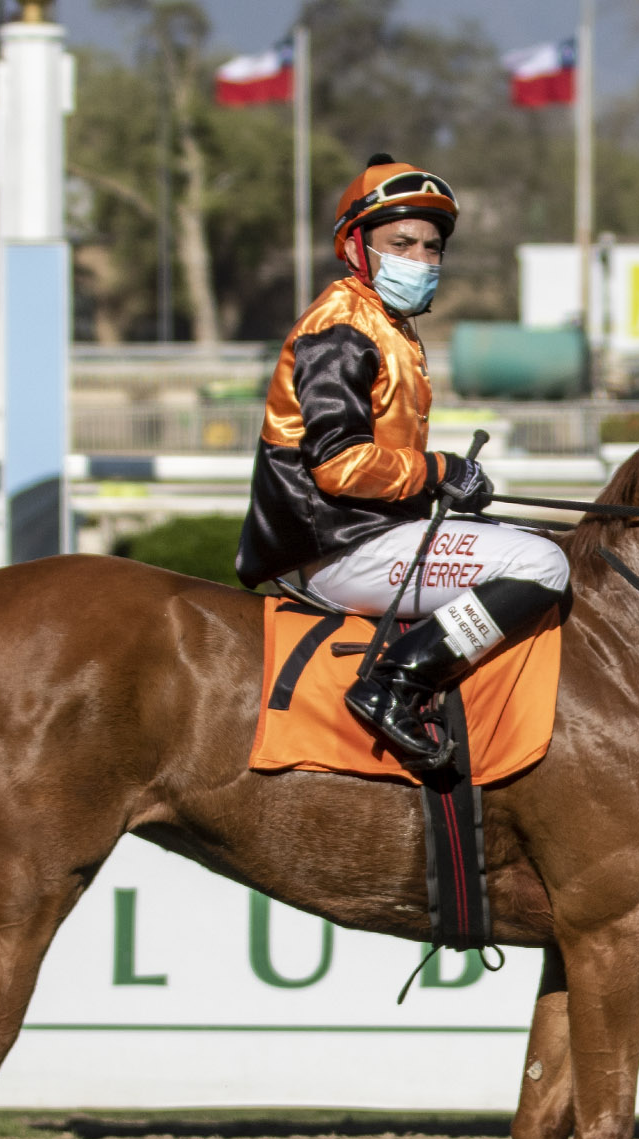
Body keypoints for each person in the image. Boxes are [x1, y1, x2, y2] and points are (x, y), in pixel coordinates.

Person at [237, 155, 570, 765]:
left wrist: (440, 482)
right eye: (402, 244)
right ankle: (396, 683)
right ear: (356, 248)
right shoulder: (341, 328)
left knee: (543, 540)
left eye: (432, 247)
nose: (420, 259)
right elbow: (338, 464)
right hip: (342, 551)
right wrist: (442, 471)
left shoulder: (387, 324)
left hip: (373, 535)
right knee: (542, 564)